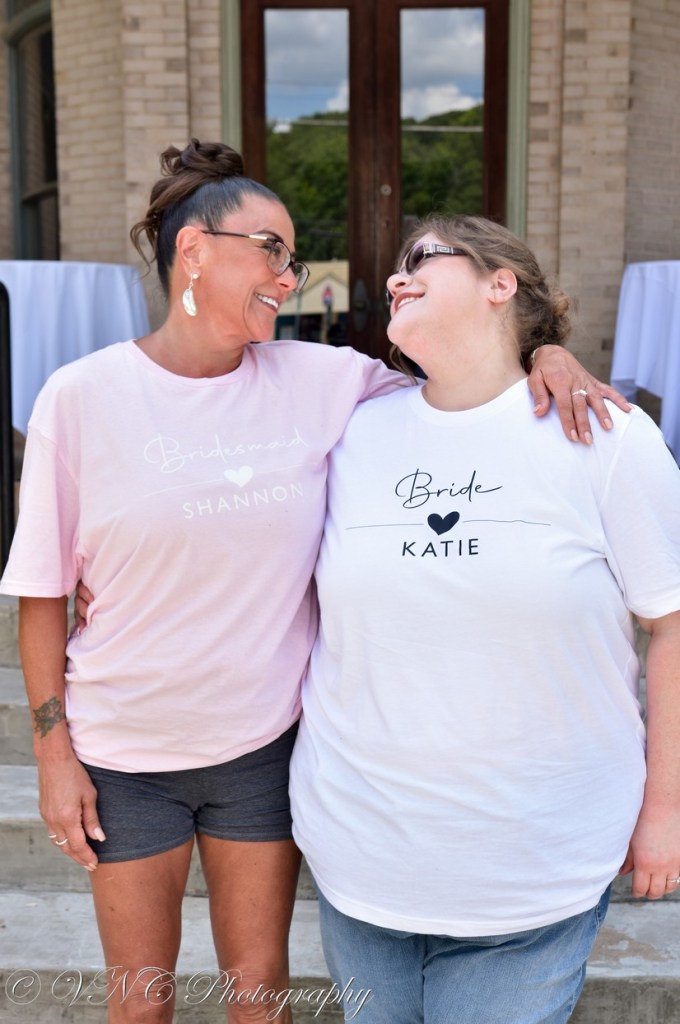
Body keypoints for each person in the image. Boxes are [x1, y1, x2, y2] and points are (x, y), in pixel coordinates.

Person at [0, 141, 628, 1024]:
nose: (289, 278)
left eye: (292, 259)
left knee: (260, 998)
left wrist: (547, 354)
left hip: (262, 749)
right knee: (138, 1004)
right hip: (123, 754)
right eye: (271, 251)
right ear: (194, 250)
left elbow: (465, 380)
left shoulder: (324, 380)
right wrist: (53, 754)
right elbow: (41, 595)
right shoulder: (79, 397)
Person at [289, 215, 680, 1024]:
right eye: (395, 268)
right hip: (361, 861)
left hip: (533, 873)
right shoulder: (349, 428)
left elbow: (672, 623)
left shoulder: (604, 435)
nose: (395, 277)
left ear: (501, 283)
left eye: (422, 258)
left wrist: (666, 807)